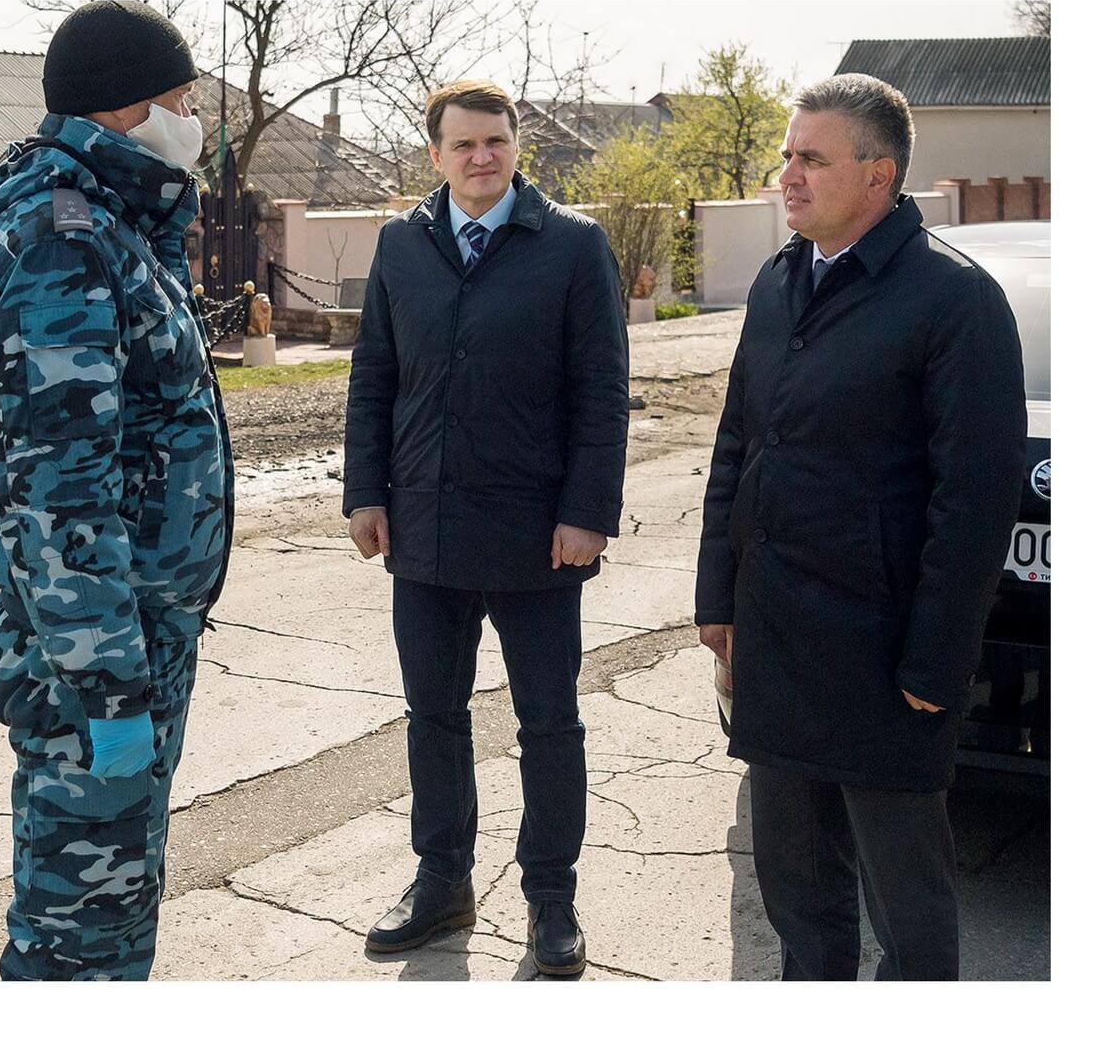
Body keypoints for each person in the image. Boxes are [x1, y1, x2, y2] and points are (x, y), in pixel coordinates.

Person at [694, 74, 1026, 980]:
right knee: (799, 901)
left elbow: (972, 504)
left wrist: (934, 665)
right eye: (786, 156)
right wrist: (717, 601)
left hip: (882, 660)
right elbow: (737, 445)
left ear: (878, 176)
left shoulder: (952, 300)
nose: (787, 176)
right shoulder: (778, 281)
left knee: (908, 917)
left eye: (811, 158)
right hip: (775, 643)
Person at [0, 0, 232, 981]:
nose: (192, 120)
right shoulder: (64, 239)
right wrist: (110, 687)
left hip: (125, 638)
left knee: (103, 921)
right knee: (80, 943)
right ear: (123, 107)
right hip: (94, 660)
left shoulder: (113, 221)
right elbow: (55, 496)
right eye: (180, 100)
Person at [342, 79, 629, 976]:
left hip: (535, 533)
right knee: (434, 716)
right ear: (434, 154)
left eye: (495, 141)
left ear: (515, 147)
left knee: (548, 721)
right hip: (423, 528)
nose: (481, 157)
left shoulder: (572, 244)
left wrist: (586, 512)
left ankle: (550, 896)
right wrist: (364, 492)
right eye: (463, 144)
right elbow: (374, 376)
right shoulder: (401, 243)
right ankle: (442, 881)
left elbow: (601, 389)